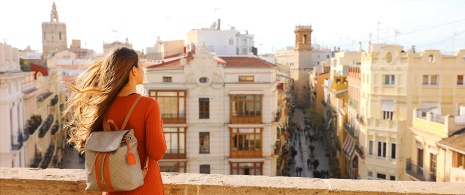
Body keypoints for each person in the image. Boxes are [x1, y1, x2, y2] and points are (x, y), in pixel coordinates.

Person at [65, 47, 166, 195]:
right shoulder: (148, 105)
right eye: (141, 66)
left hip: (111, 189)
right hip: (145, 188)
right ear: (133, 70)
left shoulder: (100, 105)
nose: (143, 70)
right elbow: (157, 152)